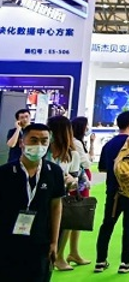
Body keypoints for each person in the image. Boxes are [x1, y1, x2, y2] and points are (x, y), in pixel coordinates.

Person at [0, 123, 65, 281]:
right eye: (33, 140)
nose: (39, 145)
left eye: (44, 141)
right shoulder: (5, 172)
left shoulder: (54, 172)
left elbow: (56, 207)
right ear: (22, 142)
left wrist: (54, 242)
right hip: (7, 241)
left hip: (40, 241)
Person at [95, 111, 129, 274]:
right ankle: (126, 262)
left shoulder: (108, 144)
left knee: (107, 225)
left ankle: (100, 261)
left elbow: (102, 168)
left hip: (113, 191)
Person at [46, 115, 87, 271]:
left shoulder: (72, 155)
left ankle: (59, 257)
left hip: (59, 199)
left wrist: (70, 180)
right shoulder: (43, 151)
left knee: (61, 228)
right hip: (39, 198)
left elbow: (74, 182)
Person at [71, 117, 95, 199]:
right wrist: (89, 161)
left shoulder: (80, 142)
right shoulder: (76, 143)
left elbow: (90, 158)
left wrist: (92, 143)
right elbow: (86, 163)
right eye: (86, 125)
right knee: (81, 201)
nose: (87, 128)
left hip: (83, 176)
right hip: (80, 177)